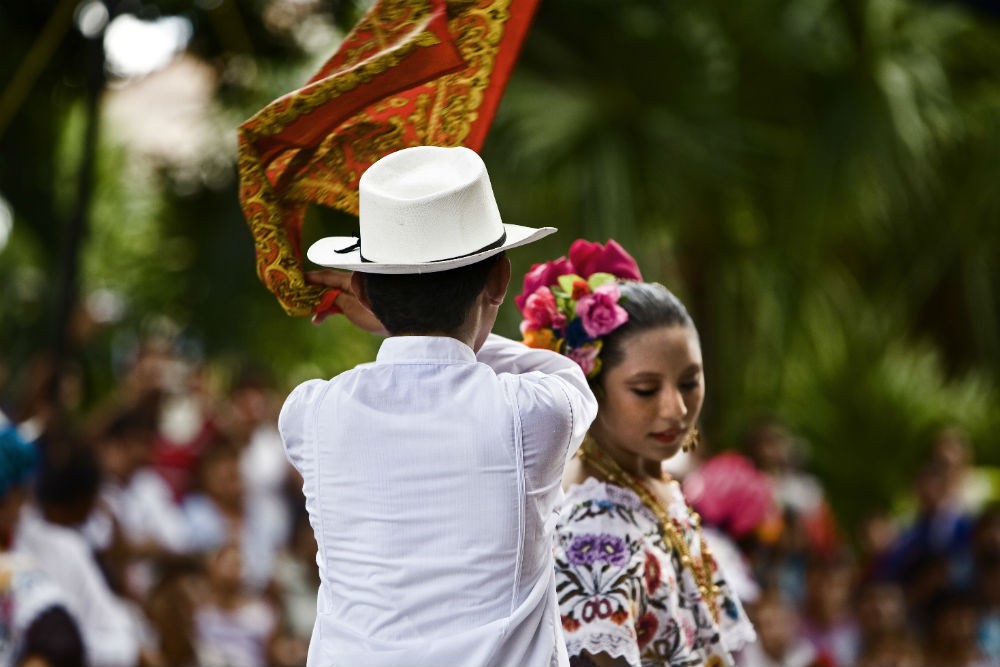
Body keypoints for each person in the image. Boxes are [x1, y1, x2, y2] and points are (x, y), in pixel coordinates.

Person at [278, 145, 598, 666]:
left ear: (361, 287)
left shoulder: (309, 414)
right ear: (499, 279)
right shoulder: (536, 415)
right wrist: (395, 319)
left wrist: (395, 318)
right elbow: (569, 379)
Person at [516, 239, 756, 666]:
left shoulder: (645, 479)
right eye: (645, 390)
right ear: (592, 388)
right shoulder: (595, 529)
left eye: (689, 382)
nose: (676, 409)